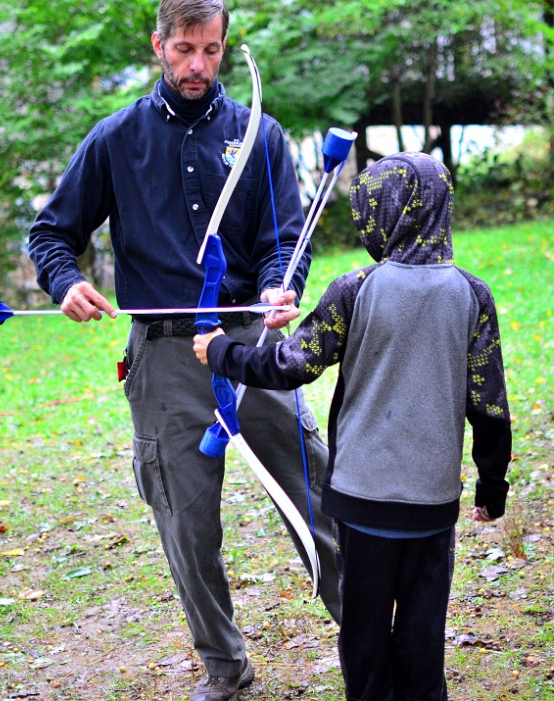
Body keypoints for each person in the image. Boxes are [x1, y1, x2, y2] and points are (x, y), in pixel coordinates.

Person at [26, 1, 342, 699]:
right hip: (165, 358)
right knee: (185, 521)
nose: (197, 65)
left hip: (251, 347)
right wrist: (66, 281)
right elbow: (51, 233)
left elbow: (286, 238)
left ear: (225, 48)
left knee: (316, 493)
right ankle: (224, 665)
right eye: (184, 50)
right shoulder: (116, 139)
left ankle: (370, 641)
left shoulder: (259, 134)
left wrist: (276, 286)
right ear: (159, 46)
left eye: (211, 50)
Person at [193, 152, 512, 701]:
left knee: (364, 634)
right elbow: (489, 406)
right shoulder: (472, 295)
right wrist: (492, 488)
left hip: (362, 501)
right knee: (421, 633)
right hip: (433, 503)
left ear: (381, 214)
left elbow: (290, 366)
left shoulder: (356, 288)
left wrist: (221, 350)